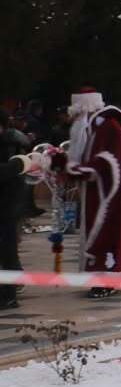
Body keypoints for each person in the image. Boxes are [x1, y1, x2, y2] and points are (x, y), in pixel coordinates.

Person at [60, 90, 121, 292]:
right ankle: (100, 276)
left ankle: (108, 278)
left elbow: (106, 163)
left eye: (76, 114)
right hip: (99, 191)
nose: (73, 119)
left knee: (107, 233)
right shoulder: (96, 128)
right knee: (99, 232)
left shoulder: (108, 127)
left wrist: (76, 170)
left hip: (109, 194)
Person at [0, 119, 36, 309]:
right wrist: (18, 165)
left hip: (8, 205)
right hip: (9, 202)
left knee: (7, 250)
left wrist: (19, 164)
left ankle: (9, 293)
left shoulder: (13, 143)